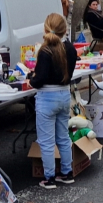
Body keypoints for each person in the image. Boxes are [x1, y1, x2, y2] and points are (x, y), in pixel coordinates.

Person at [32, 13, 79, 189]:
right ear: (65, 30)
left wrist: (31, 79)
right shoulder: (71, 50)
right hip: (64, 95)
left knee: (46, 141)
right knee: (63, 137)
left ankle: (49, 177)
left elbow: (40, 79)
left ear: (45, 29)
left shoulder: (44, 51)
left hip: (47, 97)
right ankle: (67, 173)